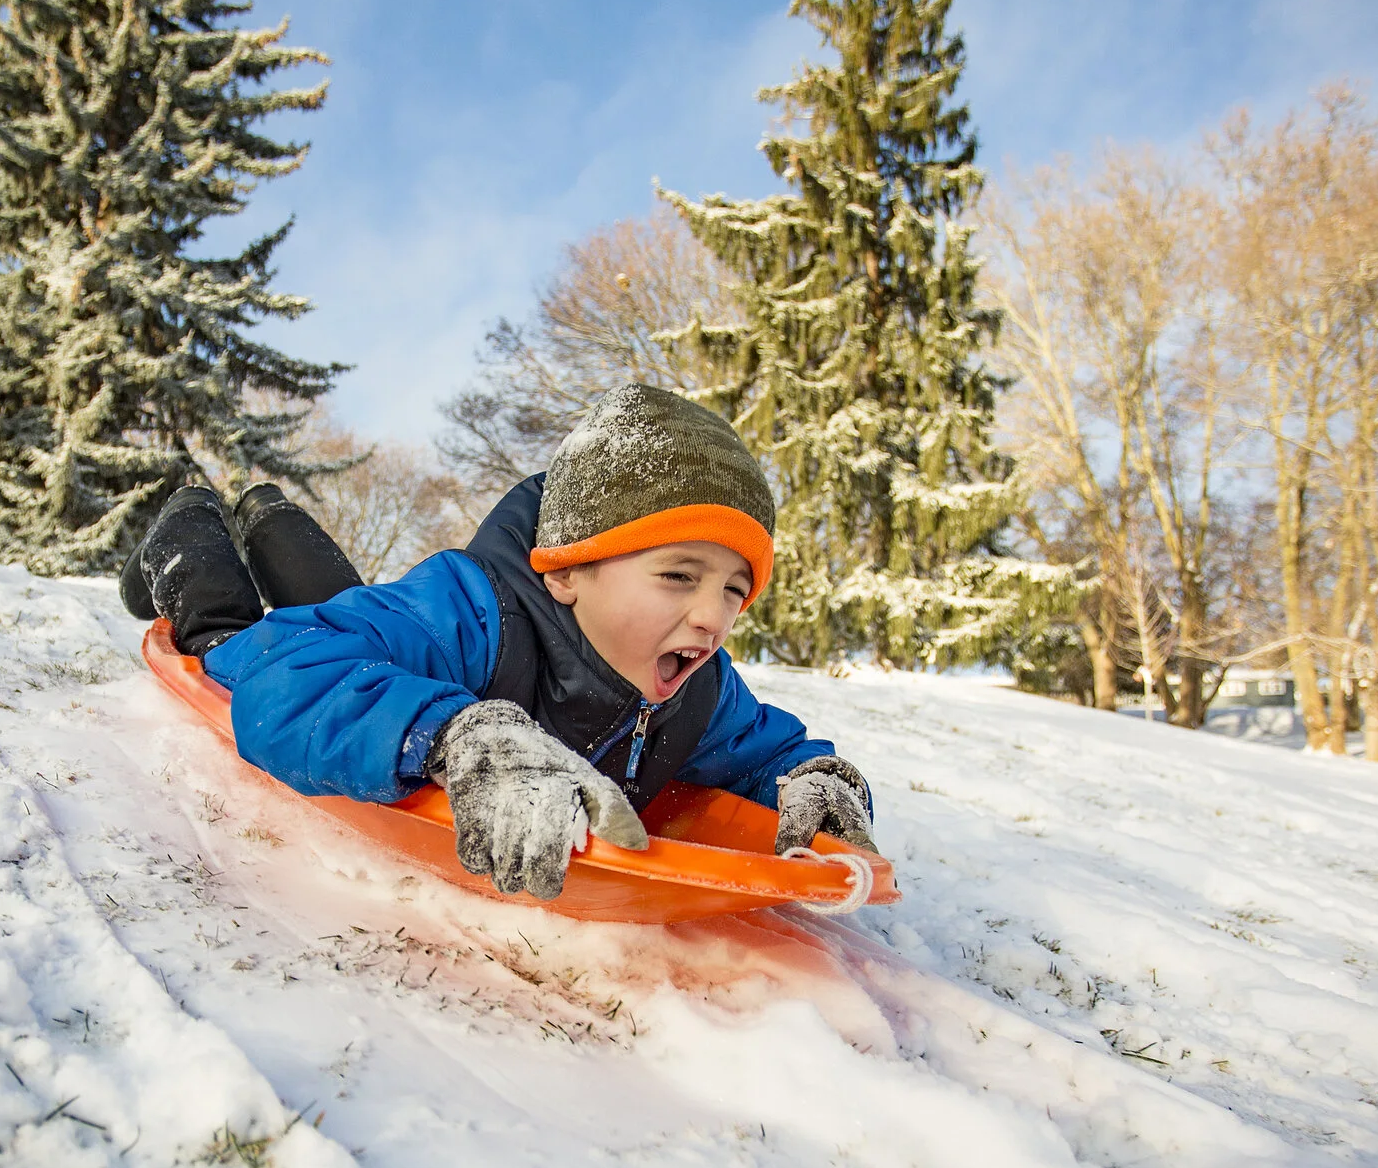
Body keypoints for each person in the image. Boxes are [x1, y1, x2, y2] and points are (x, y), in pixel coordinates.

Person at [124, 383, 875, 901]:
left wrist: (815, 782)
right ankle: (187, 518)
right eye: (679, 575)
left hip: (374, 643)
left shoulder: (699, 691)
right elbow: (285, 667)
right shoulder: (475, 611)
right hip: (258, 655)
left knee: (345, 611)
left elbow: (768, 752)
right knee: (235, 634)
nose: (714, 616)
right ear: (567, 571)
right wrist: (455, 736)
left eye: (735, 589)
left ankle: (268, 514)